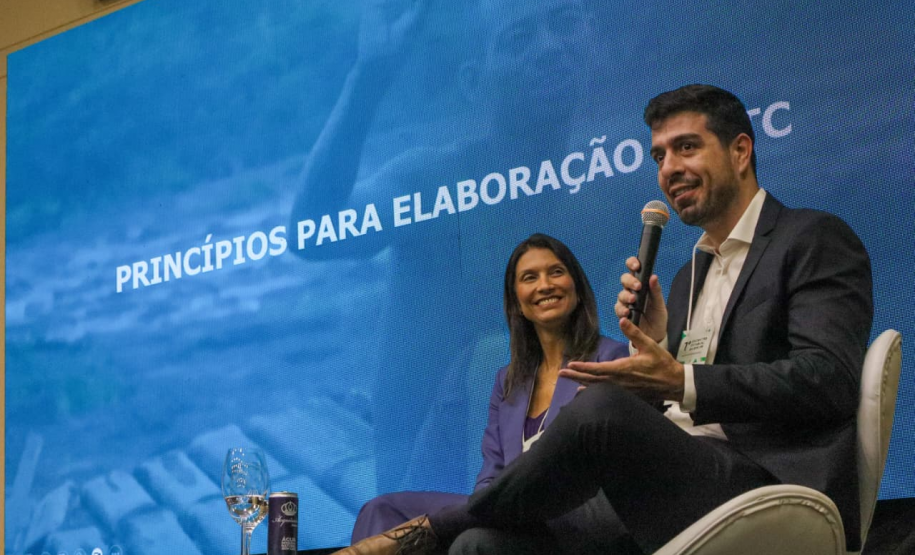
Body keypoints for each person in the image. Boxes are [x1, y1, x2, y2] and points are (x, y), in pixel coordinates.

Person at [334, 84, 873, 554]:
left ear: (740, 151)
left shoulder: (812, 239)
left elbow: (829, 379)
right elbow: (678, 402)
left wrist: (680, 379)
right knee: (483, 544)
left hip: (765, 485)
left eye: (686, 147)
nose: (669, 169)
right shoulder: (690, 275)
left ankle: (419, 531)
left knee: (600, 408)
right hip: (665, 490)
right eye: (659, 155)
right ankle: (441, 531)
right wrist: (661, 345)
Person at [289, 0, 616, 494]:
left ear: (591, 44)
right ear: (473, 82)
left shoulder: (608, 182)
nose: (549, 48)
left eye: (564, 24)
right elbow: (313, 234)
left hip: (552, 477)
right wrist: (368, 79)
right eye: (518, 39)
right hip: (435, 496)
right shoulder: (436, 181)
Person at [350, 233, 634, 554]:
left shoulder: (613, 358)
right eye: (530, 277)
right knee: (382, 510)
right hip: (509, 514)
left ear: (579, 290)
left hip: (572, 520)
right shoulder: (508, 381)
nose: (544, 285)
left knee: (470, 542)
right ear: (518, 305)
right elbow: (490, 478)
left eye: (556, 272)